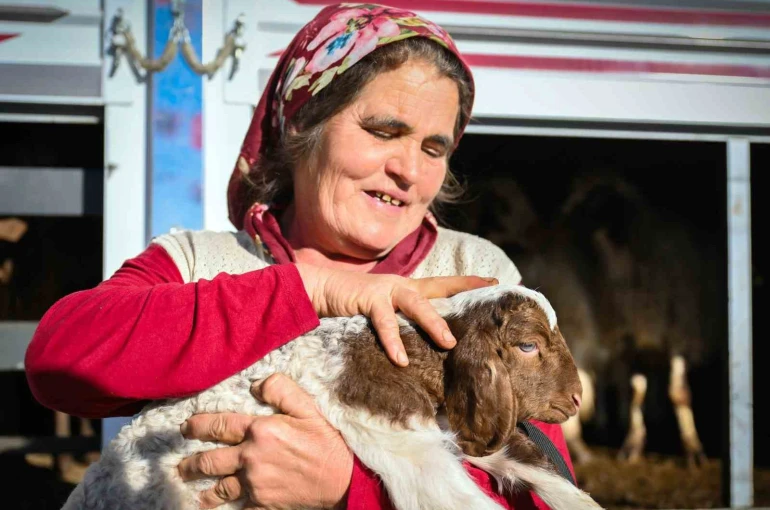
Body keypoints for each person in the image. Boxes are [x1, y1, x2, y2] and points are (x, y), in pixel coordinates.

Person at [25, 4, 574, 509]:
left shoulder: (477, 285)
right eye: (384, 130)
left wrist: (350, 486)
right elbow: (59, 363)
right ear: (302, 122)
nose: (409, 169)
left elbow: (547, 491)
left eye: (435, 148)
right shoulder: (200, 262)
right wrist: (307, 289)